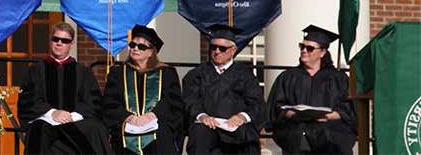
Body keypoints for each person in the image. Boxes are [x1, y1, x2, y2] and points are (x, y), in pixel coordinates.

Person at [17, 23, 110, 154]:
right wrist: (53, 113)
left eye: (65, 41)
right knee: (38, 130)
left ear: (71, 44)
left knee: (96, 129)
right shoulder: (36, 70)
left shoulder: (83, 72)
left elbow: (93, 102)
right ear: (50, 42)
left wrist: (72, 116)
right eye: (56, 39)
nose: (59, 43)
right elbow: (29, 100)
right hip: (46, 121)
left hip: (75, 121)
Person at [266, 25, 356, 155]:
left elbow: (349, 111)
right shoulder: (288, 77)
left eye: (310, 48)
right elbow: (276, 106)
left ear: (322, 52)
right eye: (301, 46)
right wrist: (291, 114)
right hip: (296, 134)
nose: (304, 50)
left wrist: (328, 116)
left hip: (330, 134)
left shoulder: (338, 79)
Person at [102, 24, 185, 155]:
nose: (135, 49)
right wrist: (128, 117)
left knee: (162, 134)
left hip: (156, 125)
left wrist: (152, 115)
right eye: (132, 45)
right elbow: (110, 102)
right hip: (126, 125)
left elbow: (172, 102)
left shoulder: (166, 73)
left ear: (151, 52)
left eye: (141, 46)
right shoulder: (118, 73)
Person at [182, 24, 264, 154]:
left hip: (236, 128)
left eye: (222, 48)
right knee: (199, 133)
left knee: (247, 136)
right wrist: (202, 116)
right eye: (213, 47)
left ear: (233, 50)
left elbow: (256, 103)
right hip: (207, 127)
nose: (217, 51)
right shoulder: (196, 74)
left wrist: (242, 117)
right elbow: (190, 100)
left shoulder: (246, 75)